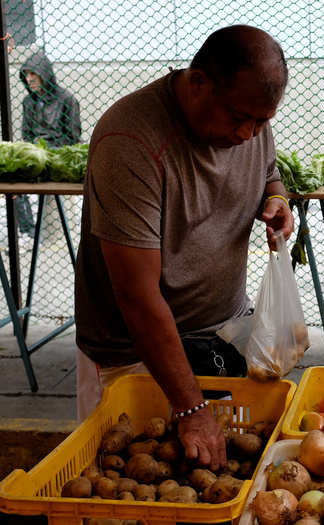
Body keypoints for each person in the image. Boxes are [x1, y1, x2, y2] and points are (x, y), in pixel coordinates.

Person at [74, 25, 294, 470]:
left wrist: (277, 198)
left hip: (221, 333)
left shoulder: (249, 117)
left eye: (263, 121)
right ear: (198, 83)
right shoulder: (131, 143)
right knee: (124, 488)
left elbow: (268, 170)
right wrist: (192, 409)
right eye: (239, 119)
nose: (250, 133)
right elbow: (137, 297)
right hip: (133, 357)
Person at [19, 50, 81, 239]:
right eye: (25, 75)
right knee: (13, 184)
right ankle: (28, 233)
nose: (29, 79)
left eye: (32, 74)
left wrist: (46, 147)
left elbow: (72, 137)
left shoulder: (66, 99)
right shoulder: (28, 102)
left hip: (59, 153)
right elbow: (26, 134)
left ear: (44, 74)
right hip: (35, 152)